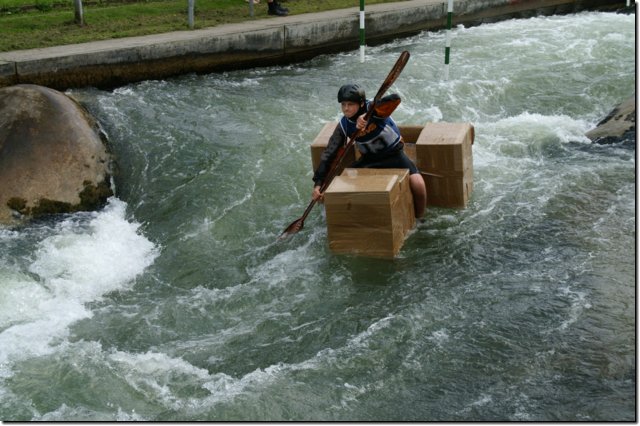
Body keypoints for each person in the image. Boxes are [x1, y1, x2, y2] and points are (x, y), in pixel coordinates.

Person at [312, 83, 427, 218]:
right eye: (343, 104)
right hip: (369, 160)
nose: (346, 109)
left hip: (394, 155)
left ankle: (420, 218)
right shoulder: (344, 125)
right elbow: (329, 153)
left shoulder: (374, 108)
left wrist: (369, 115)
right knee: (335, 186)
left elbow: (395, 99)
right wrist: (318, 183)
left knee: (418, 183)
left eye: (350, 104)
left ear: (361, 104)